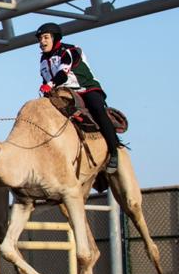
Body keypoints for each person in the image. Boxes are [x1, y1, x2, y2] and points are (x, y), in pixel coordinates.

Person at [36, 22, 122, 173]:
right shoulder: (43, 60)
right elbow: (46, 80)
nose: (42, 42)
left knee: (97, 109)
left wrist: (49, 85)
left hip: (86, 89)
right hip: (63, 93)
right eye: (40, 39)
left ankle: (114, 152)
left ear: (55, 38)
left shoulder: (70, 50)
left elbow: (62, 75)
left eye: (45, 37)